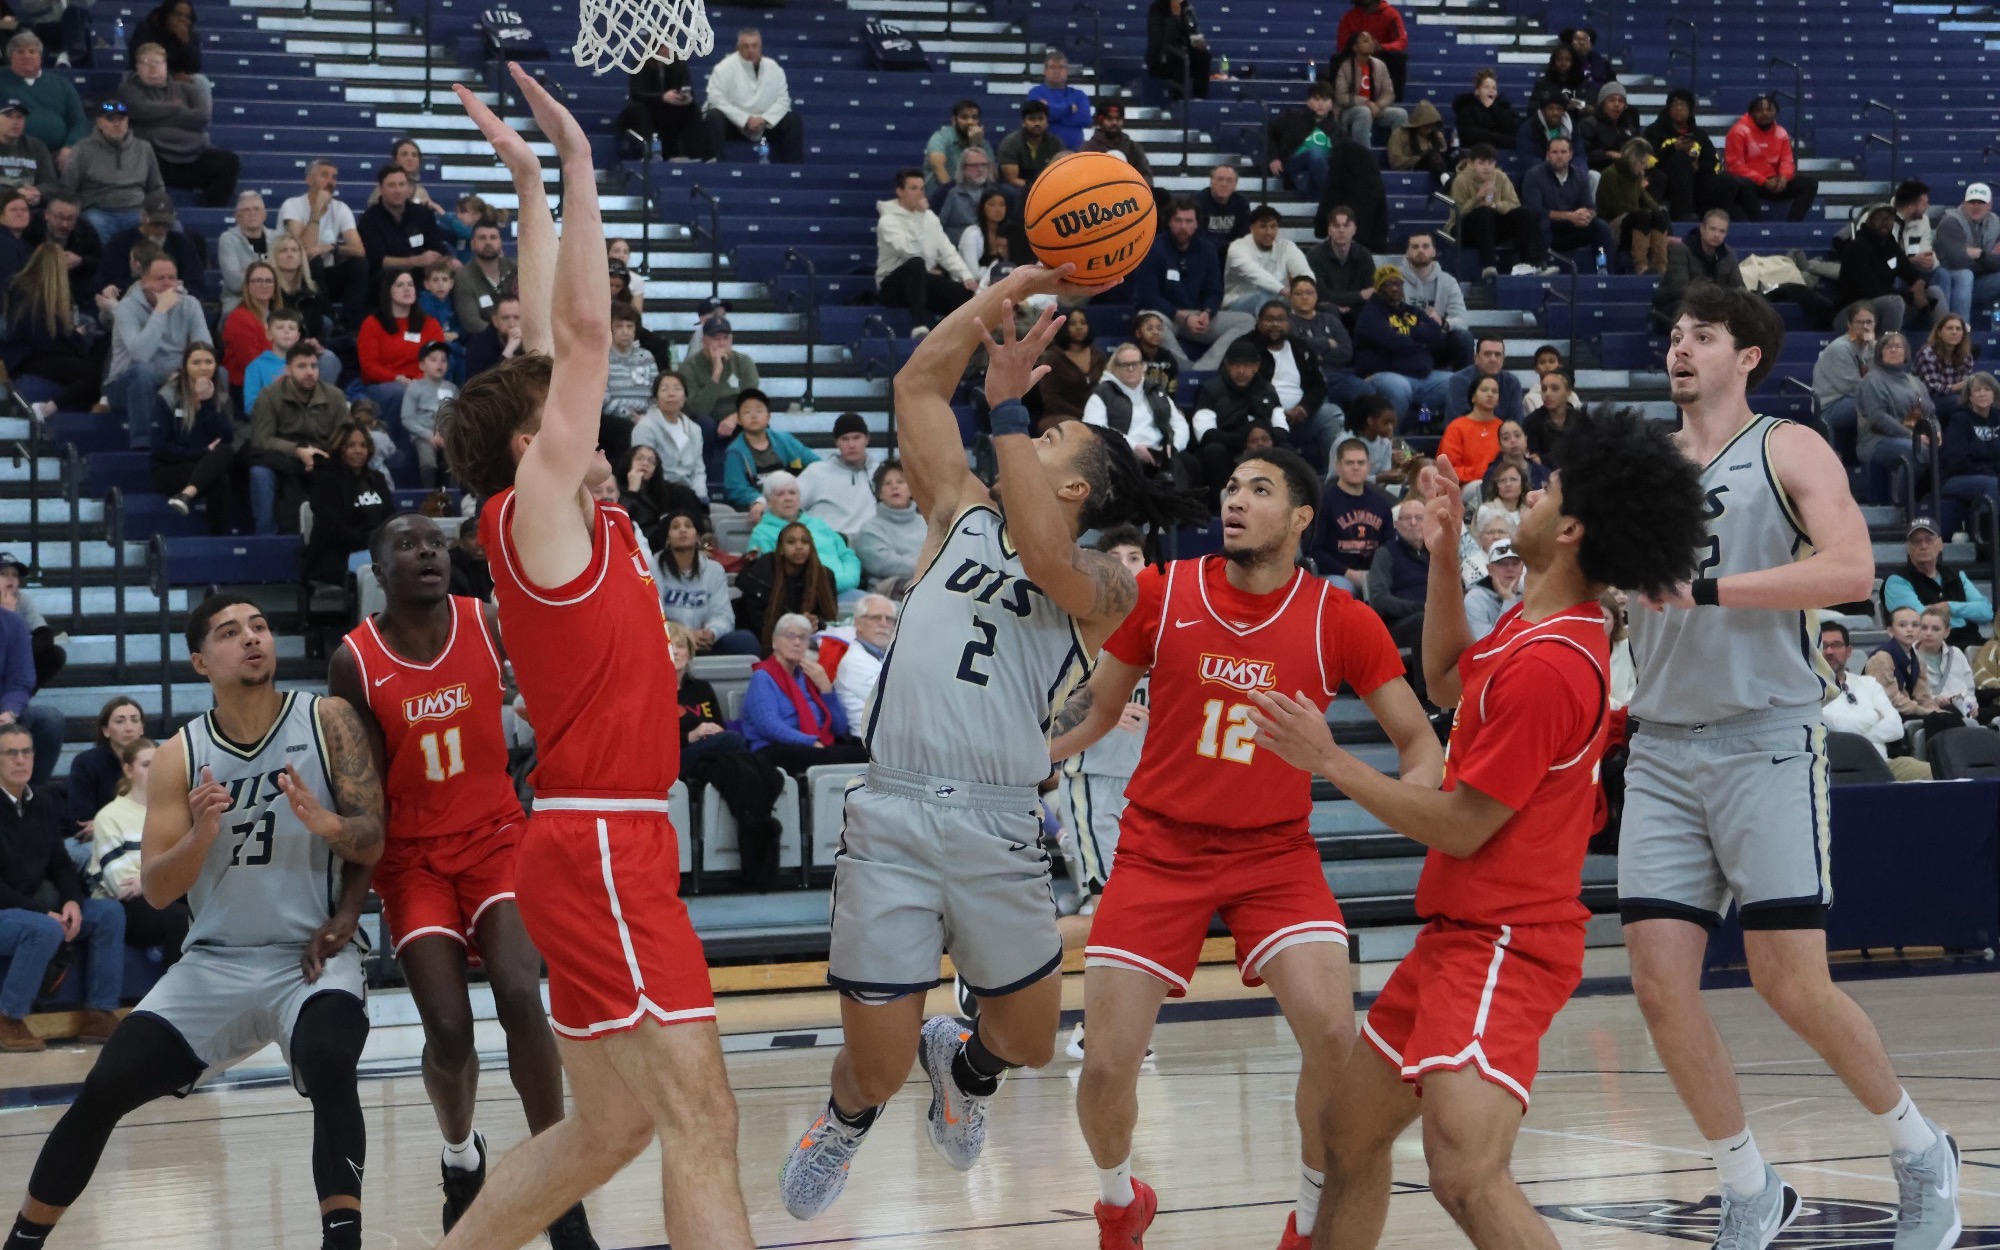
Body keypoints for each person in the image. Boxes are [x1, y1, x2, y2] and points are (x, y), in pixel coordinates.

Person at [777, 264, 1207, 1222]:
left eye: (1048, 436)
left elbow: (1045, 556)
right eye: (1031, 426)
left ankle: (965, 1072)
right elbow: (916, 389)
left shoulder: (1104, 585)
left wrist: (1010, 407)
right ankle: (846, 1120)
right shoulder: (958, 510)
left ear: (1073, 483)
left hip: (1001, 820)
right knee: (876, 1068)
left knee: (1032, 1039)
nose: (1025, 431)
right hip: (892, 805)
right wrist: (992, 304)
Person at [429, 68, 757, 1250]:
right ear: (532, 443)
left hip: (599, 838)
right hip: (602, 841)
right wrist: (575, 161)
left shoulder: (567, 515)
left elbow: (537, 330)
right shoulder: (536, 509)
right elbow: (570, 336)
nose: (600, 403)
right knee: (702, 1116)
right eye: (570, 406)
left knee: (608, 1127)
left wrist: (526, 185)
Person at [1250, 409, 1707, 1250]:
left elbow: (1462, 828)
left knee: (1463, 1172)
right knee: (1349, 1135)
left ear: (1568, 529)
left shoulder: (1551, 664)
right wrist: (1443, 556)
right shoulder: (1530, 626)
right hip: (1457, 936)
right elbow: (1446, 676)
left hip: (1507, 940)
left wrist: (1333, 762)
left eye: (1550, 488)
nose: (1532, 492)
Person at [1621, 282, 1963, 1250]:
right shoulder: (1641, 466)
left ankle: (1916, 1146)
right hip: (1657, 747)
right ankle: (1747, 1185)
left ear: (1749, 357)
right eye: (1674, 335)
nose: (1679, 348)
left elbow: (1851, 568)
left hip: (1761, 738)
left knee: (1789, 981)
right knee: (1655, 983)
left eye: (1702, 336)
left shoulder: (1785, 447)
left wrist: (1708, 588)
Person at [1050, 446, 1438, 1250]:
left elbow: (1417, 742)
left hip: (1275, 855)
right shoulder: (1166, 589)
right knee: (1107, 1065)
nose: (1236, 500)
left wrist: (1413, 802)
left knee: (1335, 1038)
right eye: (1230, 487)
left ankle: (1304, 1217)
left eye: (1260, 490)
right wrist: (1020, 753)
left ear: (1301, 517)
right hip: (1159, 846)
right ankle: (1120, 1200)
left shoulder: (1341, 617)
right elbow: (1093, 710)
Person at [3, 594, 382, 1242]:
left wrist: (329, 824)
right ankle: (22, 1241)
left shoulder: (329, 720)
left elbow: (373, 840)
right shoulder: (182, 753)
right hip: (215, 963)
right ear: (200, 661)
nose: (254, 638)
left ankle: (342, 1239)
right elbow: (154, 889)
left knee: (331, 1062)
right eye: (232, 632)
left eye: (260, 626)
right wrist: (201, 835)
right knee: (105, 1086)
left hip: (309, 960)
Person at [329, 514, 598, 1249]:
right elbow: (362, 789)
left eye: (436, 544)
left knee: (520, 992)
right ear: (378, 572)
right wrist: (352, 902)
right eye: (408, 545)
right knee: (448, 1031)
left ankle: (558, 1189)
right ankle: (460, 1158)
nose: (427, 553)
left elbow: (561, 682)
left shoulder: (487, 622)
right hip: (411, 859)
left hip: (495, 840)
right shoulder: (354, 660)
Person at [0, 718, 126, 1053]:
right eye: (10, 753)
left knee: (108, 913)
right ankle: (8, 1017)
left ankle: (99, 1012)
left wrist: (71, 900)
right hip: (8, 911)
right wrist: (45, 913)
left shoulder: (43, 801)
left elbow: (60, 863)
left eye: (26, 751)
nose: (21, 759)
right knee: (43, 930)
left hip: (37, 908)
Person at [665, 620, 787, 891]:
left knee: (740, 772)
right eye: (670, 646)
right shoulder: (650, 690)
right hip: (675, 759)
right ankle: (763, 828)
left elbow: (717, 726)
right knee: (738, 750)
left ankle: (755, 827)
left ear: (690, 652)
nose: (676, 651)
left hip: (710, 757)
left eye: (681, 646)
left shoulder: (702, 689)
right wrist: (691, 736)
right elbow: (650, 740)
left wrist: (709, 734)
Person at [86, 735, 195, 960]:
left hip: (167, 892)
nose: (154, 771)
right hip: (127, 908)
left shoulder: (175, 812)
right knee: (181, 920)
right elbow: (123, 885)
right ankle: (174, 993)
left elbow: (191, 866)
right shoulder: (109, 816)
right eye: (146, 765)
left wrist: (148, 879)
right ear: (128, 770)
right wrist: (161, 878)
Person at [1130, 198, 1252, 370]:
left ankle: (1204, 368)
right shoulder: (1152, 248)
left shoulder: (1208, 249)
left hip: (1196, 316)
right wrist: (1183, 317)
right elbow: (1148, 296)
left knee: (1247, 321)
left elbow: (1215, 291)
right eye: (1178, 220)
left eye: (1189, 221)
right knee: (1150, 320)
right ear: (1169, 223)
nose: (1183, 226)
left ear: (1197, 224)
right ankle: (1185, 370)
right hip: (1164, 314)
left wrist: (1207, 313)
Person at [743, 611, 871, 771]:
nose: (796, 642)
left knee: (871, 753)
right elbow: (768, 726)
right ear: (775, 642)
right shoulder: (762, 677)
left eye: (803, 638)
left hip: (816, 744)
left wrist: (826, 688)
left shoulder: (809, 676)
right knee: (835, 758)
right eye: (790, 636)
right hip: (774, 748)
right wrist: (809, 742)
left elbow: (839, 728)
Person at [247, 342, 350, 535]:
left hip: (324, 458)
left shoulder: (334, 396)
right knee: (259, 472)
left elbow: (345, 435)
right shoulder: (269, 396)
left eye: (314, 366)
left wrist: (320, 456)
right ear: (288, 369)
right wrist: (297, 450)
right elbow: (262, 439)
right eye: (302, 366)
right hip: (282, 460)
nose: (310, 372)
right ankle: (266, 537)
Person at [117, 41, 236, 207]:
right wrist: (179, 110)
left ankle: (211, 213)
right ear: (137, 67)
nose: (153, 69)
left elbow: (201, 117)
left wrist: (158, 119)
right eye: (146, 63)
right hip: (157, 161)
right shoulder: (128, 90)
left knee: (229, 162)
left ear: (166, 65)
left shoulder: (188, 90)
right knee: (138, 156)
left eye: (157, 63)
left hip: (193, 155)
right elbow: (141, 111)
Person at [1818, 621, 1932, 780]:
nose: (1829, 651)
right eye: (1824, 646)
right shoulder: (1808, 689)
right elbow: (1837, 728)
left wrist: (1855, 729)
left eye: (1836, 645)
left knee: (1938, 773)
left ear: (1849, 651)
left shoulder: (1868, 683)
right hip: (1839, 769)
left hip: (1884, 764)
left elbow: (1896, 728)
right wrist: (1874, 716)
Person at [107, 251, 210, 424]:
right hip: (126, 385)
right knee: (142, 371)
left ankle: (210, 441)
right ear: (144, 282)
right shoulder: (126, 308)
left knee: (217, 373)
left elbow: (204, 349)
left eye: (171, 278)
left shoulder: (190, 304)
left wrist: (182, 374)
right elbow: (140, 355)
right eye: (160, 278)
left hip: (177, 379)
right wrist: (161, 310)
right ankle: (144, 444)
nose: (167, 284)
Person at [3, 241, 103, 413]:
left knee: (98, 352)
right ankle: (49, 408)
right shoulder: (32, 295)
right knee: (92, 373)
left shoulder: (24, 288)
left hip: (34, 352)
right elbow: (45, 338)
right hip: (30, 357)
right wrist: (75, 337)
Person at [149, 341, 238, 529]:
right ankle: (221, 541)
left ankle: (187, 494)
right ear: (185, 366)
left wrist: (207, 404)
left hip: (206, 465)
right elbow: (160, 448)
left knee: (226, 455)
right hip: (170, 469)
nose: (203, 367)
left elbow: (227, 436)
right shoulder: (167, 396)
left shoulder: (221, 397)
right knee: (218, 476)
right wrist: (202, 452)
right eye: (196, 362)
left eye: (209, 362)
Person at [877, 167, 975, 335]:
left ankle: (956, 337)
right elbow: (909, 251)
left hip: (921, 283)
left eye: (922, 188)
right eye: (913, 188)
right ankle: (919, 326)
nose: (920, 193)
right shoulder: (887, 221)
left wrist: (965, 276)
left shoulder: (930, 218)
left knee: (964, 292)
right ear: (899, 191)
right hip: (891, 286)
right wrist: (918, 216)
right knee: (916, 264)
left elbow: (946, 251)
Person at [1190, 336, 1289, 496]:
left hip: (1263, 446)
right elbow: (1205, 434)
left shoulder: (1268, 390)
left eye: (1247, 365)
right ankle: (1219, 506)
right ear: (1227, 366)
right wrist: (1244, 439)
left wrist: (1262, 439)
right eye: (1236, 365)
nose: (1241, 371)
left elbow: (1282, 429)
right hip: (1229, 448)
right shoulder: (1210, 390)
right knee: (1213, 451)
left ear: (1256, 366)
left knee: (1285, 450)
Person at [1248, 300, 1339, 471]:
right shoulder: (1246, 347)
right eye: (1269, 319)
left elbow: (1318, 386)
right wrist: (1277, 412)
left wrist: (1304, 408)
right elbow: (1239, 390)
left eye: (1280, 319)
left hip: (1299, 420)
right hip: (1262, 422)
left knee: (1332, 414)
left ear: (1289, 323)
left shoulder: (1300, 348)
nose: (1275, 324)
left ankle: (1333, 479)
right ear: (1259, 323)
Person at [1353, 265, 1451, 424]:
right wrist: (1420, 341)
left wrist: (1410, 335)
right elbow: (1392, 343)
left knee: (1454, 382)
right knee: (1399, 387)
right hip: (1382, 374)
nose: (1394, 288)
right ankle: (1390, 438)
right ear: (1378, 289)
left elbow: (1436, 333)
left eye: (1398, 283)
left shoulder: (1412, 311)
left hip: (1418, 374)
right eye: (1388, 284)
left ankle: (1444, 433)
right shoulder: (1370, 314)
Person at [278, 161, 369, 330]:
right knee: (313, 260)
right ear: (309, 180)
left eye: (334, 177)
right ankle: (327, 322)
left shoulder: (341, 208)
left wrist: (333, 248)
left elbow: (359, 250)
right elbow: (302, 250)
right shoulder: (292, 206)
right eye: (324, 175)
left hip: (326, 277)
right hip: (298, 277)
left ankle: (350, 327)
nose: (330, 181)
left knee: (360, 265)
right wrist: (316, 211)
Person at [300, 423, 393, 585]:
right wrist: (372, 541)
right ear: (340, 448)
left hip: (377, 549)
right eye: (351, 445)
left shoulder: (377, 479)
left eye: (363, 445)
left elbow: (390, 518)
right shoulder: (326, 479)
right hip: (337, 553)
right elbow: (333, 530)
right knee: (385, 570)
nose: (359, 450)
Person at [1882, 516, 1992, 650]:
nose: (1923, 546)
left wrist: (1950, 607)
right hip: (1928, 651)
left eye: (1929, 540)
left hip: (1974, 645)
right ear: (1908, 548)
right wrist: (1963, 619)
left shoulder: (1957, 576)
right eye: (1916, 541)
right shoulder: (1897, 582)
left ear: (1940, 544)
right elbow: (1920, 621)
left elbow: (1986, 612)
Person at [659, 510, 759, 656]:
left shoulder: (714, 570)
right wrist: (685, 634)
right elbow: (648, 619)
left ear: (697, 536)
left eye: (688, 526)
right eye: (675, 527)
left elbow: (723, 614)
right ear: (667, 539)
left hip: (704, 642)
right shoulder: (651, 569)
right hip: (667, 641)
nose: (682, 530)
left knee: (746, 641)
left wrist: (711, 632)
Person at [63, 100, 162, 244]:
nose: (117, 124)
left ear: (127, 122)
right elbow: (68, 187)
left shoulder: (144, 148)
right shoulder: (82, 149)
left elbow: (156, 187)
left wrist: (155, 210)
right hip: (98, 211)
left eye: (121, 119)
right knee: (93, 222)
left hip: (137, 211)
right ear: (99, 123)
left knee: (166, 227)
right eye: (110, 119)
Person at [1084, 340, 1189, 473]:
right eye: (1125, 364)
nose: (1131, 369)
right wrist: (1134, 447)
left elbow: (1178, 422)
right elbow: (1096, 430)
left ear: (1143, 366)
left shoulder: (1156, 390)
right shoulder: (1102, 394)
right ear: (1115, 367)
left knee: (1188, 463)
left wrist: (1174, 446)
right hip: (1122, 453)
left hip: (1160, 450)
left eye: (1135, 364)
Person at [734, 520, 840, 652]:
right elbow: (757, 622)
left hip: (809, 643)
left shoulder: (824, 576)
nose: (799, 546)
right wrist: (796, 625)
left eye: (805, 542)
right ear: (781, 549)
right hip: (765, 644)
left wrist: (816, 623)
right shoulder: (761, 575)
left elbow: (830, 621)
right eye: (791, 542)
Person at [747, 471, 862, 592]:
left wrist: (848, 579)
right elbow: (773, 574)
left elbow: (847, 556)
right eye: (780, 494)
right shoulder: (761, 533)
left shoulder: (819, 524)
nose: (788, 498)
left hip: (845, 588)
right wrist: (825, 585)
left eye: (792, 493)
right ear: (769, 502)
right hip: (803, 596)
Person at [703, 27, 803, 163]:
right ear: (738, 47)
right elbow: (715, 99)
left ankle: (794, 168)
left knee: (792, 120)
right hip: (734, 125)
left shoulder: (774, 68)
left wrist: (764, 119)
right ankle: (715, 164)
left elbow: (784, 101)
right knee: (713, 115)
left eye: (754, 46)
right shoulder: (723, 68)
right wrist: (745, 119)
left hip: (765, 124)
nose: (750, 50)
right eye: (746, 46)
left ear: (760, 47)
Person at [1855, 332, 1933, 504]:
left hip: (1915, 436)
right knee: (1916, 450)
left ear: (1906, 353)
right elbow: (1878, 417)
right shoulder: (1871, 381)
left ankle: (1927, 504)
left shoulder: (1914, 382)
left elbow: (1930, 413)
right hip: (1877, 439)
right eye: (1888, 346)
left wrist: (1937, 433)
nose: (1893, 350)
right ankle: (1901, 503)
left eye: (1898, 346)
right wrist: (1912, 436)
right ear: (1880, 352)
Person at [1309, 437, 1396, 590]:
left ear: (1369, 466)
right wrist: (1348, 573)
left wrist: (1376, 573)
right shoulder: (1323, 501)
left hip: (1374, 574)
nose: (1356, 467)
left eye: (1361, 463)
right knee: (1343, 590)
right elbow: (1314, 550)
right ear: (1338, 466)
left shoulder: (1381, 502)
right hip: (1336, 575)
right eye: (1349, 463)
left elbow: (1389, 547)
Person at [64, 696, 145, 856]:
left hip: (145, 835)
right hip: (100, 839)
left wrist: (107, 823)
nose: (129, 728)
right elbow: (82, 823)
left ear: (142, 728)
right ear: (105, 730)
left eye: (135, 720)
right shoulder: (85, 762)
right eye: (120, 721)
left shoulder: (157, 758)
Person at [1867, 605, 1963, 736]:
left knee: (1952, 713)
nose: (1909, 630)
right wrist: (1928, 712)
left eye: (1915, 625)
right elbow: (1891, 700)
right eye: (1902, 625)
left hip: (1908, 710)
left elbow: (1922, 696)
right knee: (1938, 718)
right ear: (1890, 631)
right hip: (1885, 714)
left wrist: (1934, 709)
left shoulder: (1917, 660)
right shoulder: (1882, 658)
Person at [1723, 95, 1817, 223]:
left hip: (1774, 182)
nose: (1765, 113)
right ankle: (1758, 226)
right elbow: (1735, 166)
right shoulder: (1739, 131)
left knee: (1809, 183)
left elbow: (1787, 161)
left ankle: (1792, 226)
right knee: (1743, 184)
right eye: (1760, 110)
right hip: (1752, 183)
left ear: (1776, 113)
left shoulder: (1781, 132)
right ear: (1751, 113)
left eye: (1769, 110)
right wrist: (1763, 181)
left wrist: (1784, 178)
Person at [1521, 136, 1611, 269]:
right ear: (1548, 155)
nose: (1559, 156)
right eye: (1555, 152)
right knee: (1542, 224)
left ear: (1571, 155)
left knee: (1600, 226)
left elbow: (1590, 207)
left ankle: (1603, 269)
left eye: (1563, 152)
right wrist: (1570, 216)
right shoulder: (1533, 175)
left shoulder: (1580, 176)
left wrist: (1586, 216)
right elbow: (1535, 211)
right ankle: (1542, 267)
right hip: (1547, 230)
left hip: (1572, 229)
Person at [1641, 89, 1731, 223]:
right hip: (1665, 174)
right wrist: (1672, 149)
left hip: (1695, 177)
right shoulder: (1654, 130)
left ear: (1690, 110)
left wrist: (1697, 165)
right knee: (1681, 159)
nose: (1678, 108)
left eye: (1682, 105)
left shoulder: (1699, 134)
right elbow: (1647, 159)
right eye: (1674, 105)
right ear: (1668, 109)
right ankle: (1681, 213)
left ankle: (1722, 219)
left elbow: (1711, 160)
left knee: (1728, 181)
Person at [1447, 145, 1534, 279]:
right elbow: (1457, 213)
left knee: (1523, 213)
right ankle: (1489, 265)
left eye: (1491, 163)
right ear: (1471, 163)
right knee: (1483, 212)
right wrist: (1477, 198)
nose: (1486, 167)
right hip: (1464, 229)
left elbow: (1514, 203)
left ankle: (1527, 263)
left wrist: (1495, 205)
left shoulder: (1501, 177)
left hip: (1492, 226)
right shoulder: (1461, 180)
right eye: (1481, 163)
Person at [358, 164, 450, 290]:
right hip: (385, 281)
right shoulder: (369, 219)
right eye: (392, 185)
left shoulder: (423, 214)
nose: (398, 190)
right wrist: (415, 261)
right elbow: (378, 261)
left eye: (402, 184)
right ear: (380, 188)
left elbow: (437, 248)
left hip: (422, 277)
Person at [720, 387, 813, 509]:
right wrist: (759, 500)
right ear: (739, 419)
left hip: (791, 504)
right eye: (747, 412)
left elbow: (814, 463)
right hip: (758, 509)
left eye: (759, 411)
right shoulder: (735, 452)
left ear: (768, 416)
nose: (753, 416)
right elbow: (736, 489)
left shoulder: (785, 440)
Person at [0, 33, 83, 170]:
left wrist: (69, 146)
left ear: (40, 56)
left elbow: (79, 122)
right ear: (10, 57)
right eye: (20, 51)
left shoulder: (61, 84)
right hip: (8, 154)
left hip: (56, 154)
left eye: (32, 51)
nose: (27, 56)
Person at [1837, 205, 1922, 335]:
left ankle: (1941, 345)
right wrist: (1909, 295)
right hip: (1851, 312)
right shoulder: (1857, 247)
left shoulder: (1890, 244)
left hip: (1879, 310)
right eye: (1880, 218)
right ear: (1869, 220)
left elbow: (1910, 272)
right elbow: (1870, 290)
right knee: (1895, 302)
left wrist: (1919, 283)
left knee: (1933, 292)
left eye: (1889, 219)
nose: (1885, 223)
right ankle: (1888, 347)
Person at [1653, 209, 1743, 330]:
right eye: (1713, 229)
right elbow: (1678, 289)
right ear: (1702, 228)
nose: (1717, 234)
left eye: (1722, 231)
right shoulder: (1681, 249)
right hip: (1677, 307)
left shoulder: (1728, 254)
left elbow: (1738, 287)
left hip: (1713, 306)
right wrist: (1713, 300)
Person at [797, 412, 878, 536]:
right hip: (828, 543)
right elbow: (788, 501)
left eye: (856, 438)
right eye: (845, 439)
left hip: (870, 542)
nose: (851, 445)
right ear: (836, 442)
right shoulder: (817, 472)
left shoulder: (880, 472)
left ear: (867, 439)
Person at [1940, 372, 2000, 540]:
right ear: (1970, 397)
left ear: (1994, 394)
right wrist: (1990, 470)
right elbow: (1957, 461)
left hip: (1989, 475)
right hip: (1956, 478)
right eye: (1977, 390)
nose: (1982, 393)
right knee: (1992, 485)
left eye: (1987, 389)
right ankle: (1987, 542)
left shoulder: (1997, 418)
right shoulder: (1960, 420)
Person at [630, 372, 708, 499]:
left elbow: (698, 470)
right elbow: (641, 468)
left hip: (688, 493)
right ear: (656, 397)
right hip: (657, 492)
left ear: (685, 397)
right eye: (664, 389)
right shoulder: (645, 427)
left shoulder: (694, 429)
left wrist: (701, 495)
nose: (671, 394)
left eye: (677, 389)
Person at [1598, 138, 1671, 275]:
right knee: (1643, 215)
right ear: (1632, 159)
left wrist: (1660, 212)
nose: (1644, 167)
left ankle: (1661, 265)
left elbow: (1647, 199)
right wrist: (1644, 211)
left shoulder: (1636, 176)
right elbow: (1614, 208)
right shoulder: (1610, 174)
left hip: (1633, 219)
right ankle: (1640, 265)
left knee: (1657, 214)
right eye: (1642, 163)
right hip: (1614, 225)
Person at [617, 49, 703, 162]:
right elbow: (636, 93)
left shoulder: (679, 64)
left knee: (693, 109)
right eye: (664, 45)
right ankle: (649, 154)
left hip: (668, 109)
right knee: (640, 110)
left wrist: (687, 98)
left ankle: (695, 156)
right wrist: (662, 97)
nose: (667, 49)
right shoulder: (641, 62)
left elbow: (688, 88)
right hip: (646, 107)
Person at [852, 459, 922, 595]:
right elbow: (886, 564)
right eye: (887, 483)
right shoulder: (869, 530)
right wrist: (931, 567)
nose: (894, 487)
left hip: (931, 581)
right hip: (887, 589)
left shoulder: (929, 525)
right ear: (880, 494)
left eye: (900, 482)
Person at [1933, 182, 2000, 322]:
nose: (1976, 207)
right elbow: (1959, 261)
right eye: (1972, 202)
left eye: (1981, 202)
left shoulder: (1996, 223)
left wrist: (1981, 255)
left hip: (1978, 281)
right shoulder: (1950, 222)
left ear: (1989, 206)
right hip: (1948, 281)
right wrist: (1989, 261)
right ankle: (1962, 328)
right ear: (1963, 203)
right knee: (1965, 275)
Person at [1329, 30, 1406, 146]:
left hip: (1376, 109)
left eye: (1371, 40)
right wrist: (1366, 102)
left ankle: (1398, 156)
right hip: (1349, 111)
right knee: (1364, 112)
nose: (1371, 43)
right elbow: (1341, 97)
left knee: (1400, 114)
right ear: (1355, 47)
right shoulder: (1345, 67)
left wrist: (1378, 105)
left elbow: (1389, 93)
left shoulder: (1380, 65)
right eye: (1365, 41)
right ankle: (1364, 158)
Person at [833, 593, 898, 729]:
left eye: (890, 619)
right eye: (876, 618)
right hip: (865, 743)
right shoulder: (854, 662)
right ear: (858, 623)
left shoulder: (886, 657)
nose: (884, 624)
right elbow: (892, 702)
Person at [677, 315, 760, 419]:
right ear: (704, 341)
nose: (721, 343)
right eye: (716, 338)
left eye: (725, 338)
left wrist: (736, 419)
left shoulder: (743, 362)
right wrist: (716, 374)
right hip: (708, 417)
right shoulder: (689, 367)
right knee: (704, 421)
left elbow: (752, 399)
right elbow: (699, 408)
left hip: (738, 417)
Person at [1267, 82, 1342, 196]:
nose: (1321, 103)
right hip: (1293, 167)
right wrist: (1273, 158)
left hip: (1318, 175)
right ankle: (1332, 196)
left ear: (1331, 104)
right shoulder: (1293, 117)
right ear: (1307, 101)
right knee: (1315, 152)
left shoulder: (1337, 130)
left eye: (1325, 99)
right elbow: (1268, 132)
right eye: (1316, 99)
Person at [1037, 307, 1108, 426]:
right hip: (1059, 415)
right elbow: (1051, 399)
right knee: (1079, 429)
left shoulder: (1098, 355)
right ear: (1064, 327)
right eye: (1073, 323)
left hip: (1095, 413)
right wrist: (1082, 414)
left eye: (1083, 323)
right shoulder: (1053, 357)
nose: (1079, 327)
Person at [1367, 497, 1429, 626]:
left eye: (1419, 518)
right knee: (1424, 621)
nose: (1413, 523)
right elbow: (1379, 598)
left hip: (1435, 616)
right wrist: (1419, 608)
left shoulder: (1436, 552)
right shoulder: (1385, 553)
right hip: (1400, 622)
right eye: (1407, 518)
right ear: (1397, 525)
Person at [1306, 205, 1378, 315]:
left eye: (1346, 225)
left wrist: (1353, 300)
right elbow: (1320, 294)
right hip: (1326, 311)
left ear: (1354, 229)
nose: (1341, 230)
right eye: (1336, 226)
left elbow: (1371, 292)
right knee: (1328, 309)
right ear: (1329, 230)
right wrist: (1359, 295)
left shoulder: (1364, 255)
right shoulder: (1315, 255)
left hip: (1356, 309)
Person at [401, 341, 454, 488]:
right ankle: (429, 496)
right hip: (423, 435)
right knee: (428, 464)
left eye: (444, 360)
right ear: (422, 365)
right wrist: (428, 435)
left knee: (457, 463)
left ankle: (453, 497)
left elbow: (457, 416)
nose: (440, 364)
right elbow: (407, 418)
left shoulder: (452, 388)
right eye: (433, 359)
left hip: (447, 435)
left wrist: (448, 434)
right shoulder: (414, 388)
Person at [1916, 602, 1979, 722]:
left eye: (1936, 629)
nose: (1928, 633)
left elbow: (1969, 691)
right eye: (1924, 628)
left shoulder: (1956, 654)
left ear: (1947, 632)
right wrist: (1933, 699)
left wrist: (1971, 707)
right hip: (1930, 714)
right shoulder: (1909, 656)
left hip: (1961, 712)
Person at [1332, 0, 1410, 97]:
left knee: (1399, 57)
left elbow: (1401, 41)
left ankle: (1395, 99)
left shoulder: (1391, 14)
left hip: (1381, 56)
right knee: (1336, 59)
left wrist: (1381, 47)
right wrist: (1359, 49)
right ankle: (1343, 99)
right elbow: (1342, 47)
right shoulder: (1348, 17)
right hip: (1356, 58)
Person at [451, 220, 515, 338]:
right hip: (485, 341)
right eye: (482, 238)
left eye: (493, 237)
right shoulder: (463, 276)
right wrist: (504, 335)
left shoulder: (515, 269)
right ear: (472, 244)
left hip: (521, 336)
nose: (488, 242)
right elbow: (471, 322)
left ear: (501, 242)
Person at [1438, 374, 1507, 483]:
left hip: (1502, 483)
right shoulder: (1456, 427)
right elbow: (1450, 469)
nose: (1490, 394)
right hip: (1466, 486)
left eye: (1495, 391)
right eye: (1484, 390)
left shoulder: (1504, 428)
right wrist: (1484, 474)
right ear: (1473, 397)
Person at [1447, 336, 1525, 426]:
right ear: (1476, 358)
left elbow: (1516, 424)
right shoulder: (1459, 381)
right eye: (1487, 354)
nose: (1493, 359)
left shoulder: (1512, 383)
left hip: (1503, 437)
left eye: (1498, 355)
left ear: (1503, 359)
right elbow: (1456, 423)